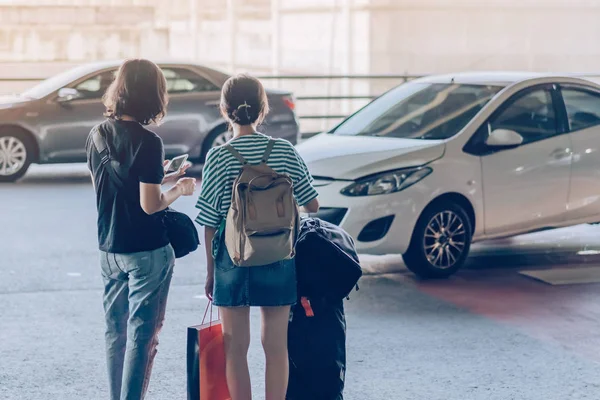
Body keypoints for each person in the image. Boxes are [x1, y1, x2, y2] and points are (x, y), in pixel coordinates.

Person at [195, 74, 319, 400]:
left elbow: (208, 222)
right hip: (279, 256)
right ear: (263, 110)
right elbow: (312, 203)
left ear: (225, 110)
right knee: (276, 346)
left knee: (236, 349)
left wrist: (210, 273)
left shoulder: (219, 157)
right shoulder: (285, 151)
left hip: (231, 262)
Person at [86, 59, 196, 400]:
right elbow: (150, 205)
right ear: (154, 95)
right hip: (146, 252)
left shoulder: (97, 134)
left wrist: (161, 176)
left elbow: (114, 186)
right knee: (142, 336)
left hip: (109, 248)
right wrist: (179, 189)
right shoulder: (149, 142)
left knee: (115, 331)